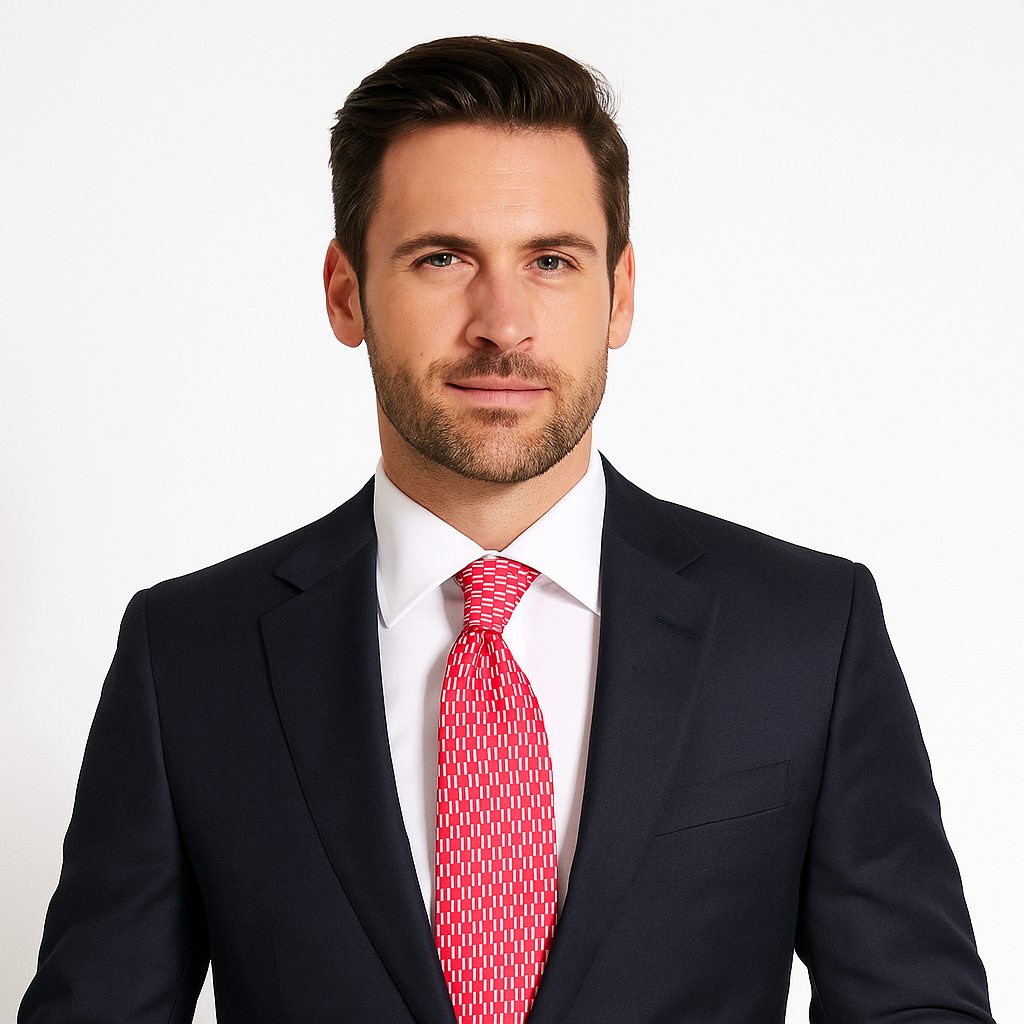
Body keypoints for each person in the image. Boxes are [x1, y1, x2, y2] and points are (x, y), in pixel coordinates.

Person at [19, 35, 995, 1024]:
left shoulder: (804, 636)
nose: (502, 321)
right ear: (345, 291)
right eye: (442, 257)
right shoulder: (189, 656)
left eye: (551, 260)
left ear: (619, 292)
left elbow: (914, 1008)